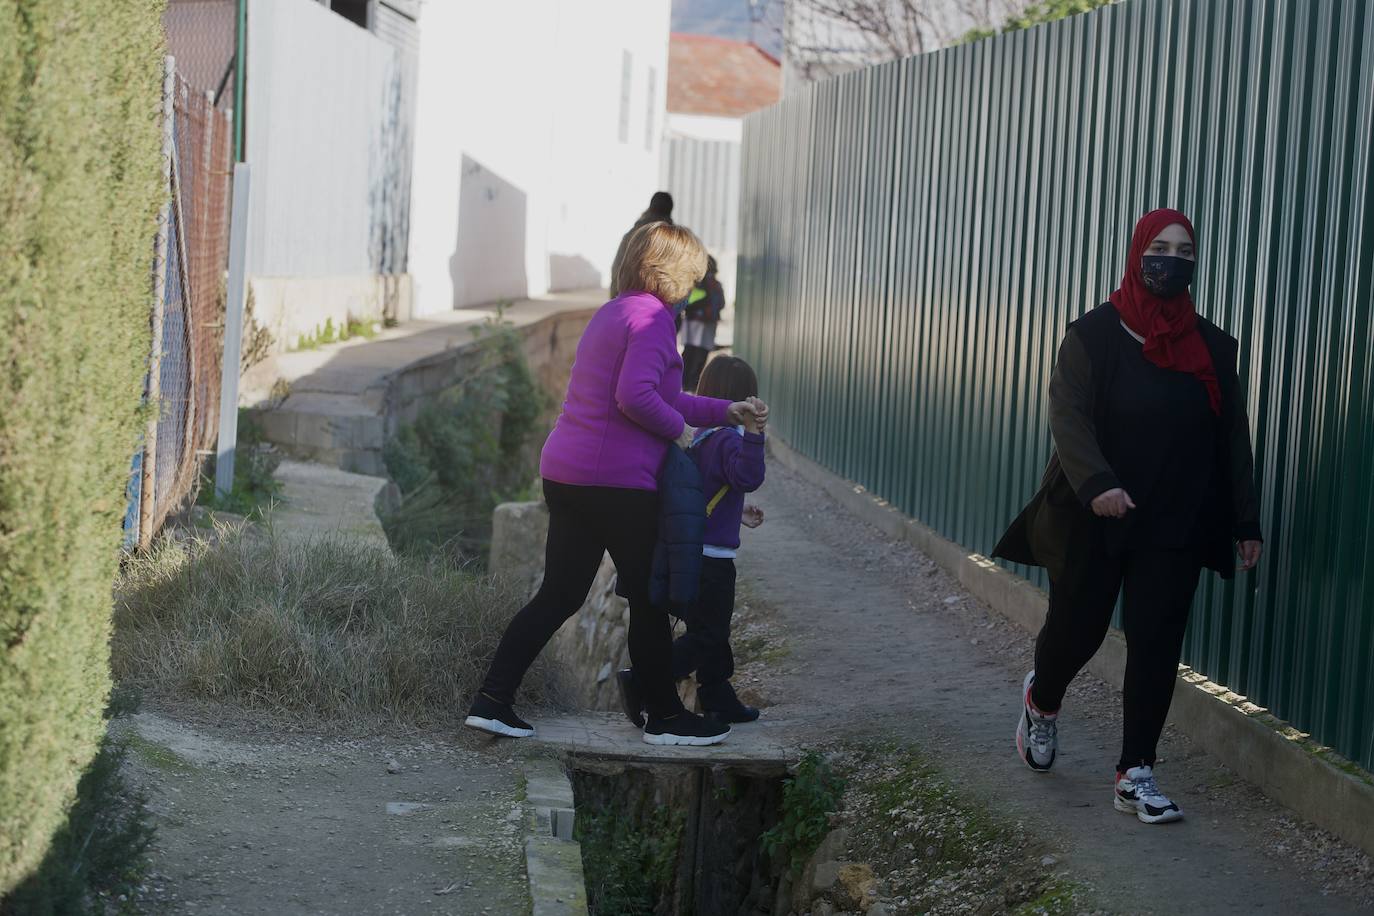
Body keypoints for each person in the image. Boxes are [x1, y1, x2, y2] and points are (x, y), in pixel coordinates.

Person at [993, 208, 1263, 825]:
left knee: (1156, 643)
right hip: (1097, 514)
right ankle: (1042, 699)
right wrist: (1098, 484)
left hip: (1175, 517)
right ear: (1139, 252)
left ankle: (1134, 772)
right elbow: (1069, 416)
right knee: (1077, 632)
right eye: (1160, 246)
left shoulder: (1214, 348)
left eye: (1185, 249)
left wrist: (1245, 521)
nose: (1172, 258)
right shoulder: (1092, 335)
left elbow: (1232, 438)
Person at [466, 221, 768, 747]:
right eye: (692, 279)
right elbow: (636, 398)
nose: (693, 289)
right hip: (617, 484)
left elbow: (660, 394)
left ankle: (492, 701)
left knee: (559, 594)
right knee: (650, 601)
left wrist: (726, 410)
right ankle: (666, 718)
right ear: (672, 273)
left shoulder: (615, 312)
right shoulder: (653, 320)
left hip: (567, 473)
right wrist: (687, 431)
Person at [617, 355, 767, 726]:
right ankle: (643, 680)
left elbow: (706, 490)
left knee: (711, 630)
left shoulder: (699, 437)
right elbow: (748, 476)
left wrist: (739, 513)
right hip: (712, 559)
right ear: (743, 400)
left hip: (688, 551)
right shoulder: (729, 440)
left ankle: (717, 695)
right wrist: (754, 434)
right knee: (709, 633)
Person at [609, 191, 674, 299]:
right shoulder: (673, 239)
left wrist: (615, 299)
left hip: (626, 299)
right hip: (657, 305)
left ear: (651, 207)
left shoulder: (631, 234)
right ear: (670, 210)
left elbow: (617, 268)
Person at [681, 256, 725, 392]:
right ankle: (693, 385)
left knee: (689, 353)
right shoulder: (715, 285)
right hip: (707, 324)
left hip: (693, 322)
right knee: (699, 355)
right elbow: (721, 304)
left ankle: (685, 383)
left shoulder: (693, 283)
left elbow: (685, 303)